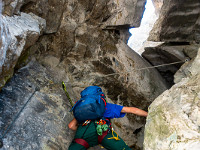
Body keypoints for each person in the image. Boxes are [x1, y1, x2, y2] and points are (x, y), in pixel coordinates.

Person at [68, 86, 148, 150]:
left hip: (83, 134)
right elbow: (132, 110)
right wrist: (148, 114)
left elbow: (71, 126)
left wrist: (83, 128)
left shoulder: (81, 111)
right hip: (103, 133)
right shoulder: (107, 107)